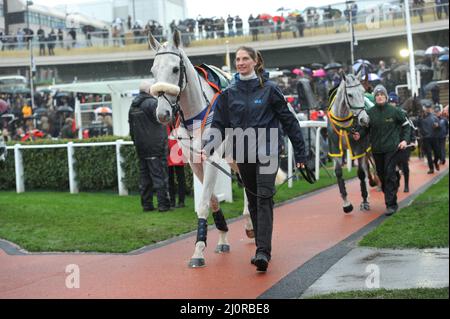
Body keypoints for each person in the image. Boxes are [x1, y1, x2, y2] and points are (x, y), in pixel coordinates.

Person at [203, 46, 307, 272]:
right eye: (238, 59)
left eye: (245, 59)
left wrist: (301, 153)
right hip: (242, 152)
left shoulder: (270, 89)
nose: (240, 62)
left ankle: (262, 252)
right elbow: (219, 123)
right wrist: (208, 146)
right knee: (252, 201)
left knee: (263, 198)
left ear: (255, 61)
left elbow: (289, 121)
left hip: (267, 151)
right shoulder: (228, 93)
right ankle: (262, 248)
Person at [353, 85, 411, 216]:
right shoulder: (370, 113)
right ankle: (392, 192)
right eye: (377, 95)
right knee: (382, 175)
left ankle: (391, 205)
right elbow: (365, 129)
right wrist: (359, 135)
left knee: (389, 173)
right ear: (375, 97)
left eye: (381, 95)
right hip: (377, 150)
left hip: (392, 149)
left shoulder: (394, 111)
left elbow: (406, 126)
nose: (379, 97)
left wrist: (404, 141)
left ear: (385, 97)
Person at [128, 81, 171, 212]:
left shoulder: (133, 106)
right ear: (149, 91)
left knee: (145, 177)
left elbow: (131, 129)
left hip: (141, 147)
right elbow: (165, 117)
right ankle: (163, 205)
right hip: (155, 146)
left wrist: (136, 142)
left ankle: (147, 204)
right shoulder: (152, 103)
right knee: (159, 176)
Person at [389, 92, 416, 193]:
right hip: (392, 145)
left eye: (394, 102)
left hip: (404, 143)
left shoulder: (403, 113)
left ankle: (406, 185)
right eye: (390, 102)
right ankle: (397, 183)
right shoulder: (386, 114)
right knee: (393, 166)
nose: (392, 104)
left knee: (405, 166)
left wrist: (413, 140)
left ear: (397, 103)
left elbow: (410, 127)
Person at [418, 100, 441, 174]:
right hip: (426, 139)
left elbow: (439, 127)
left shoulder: (434, 117)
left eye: (429, 107)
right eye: (426, 107)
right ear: (424, 108)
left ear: (430, 108)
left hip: (434, 138)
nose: (428, 109)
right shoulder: (420, 117)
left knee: (438, 154)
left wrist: (437, 126)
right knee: (429, 154)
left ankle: (435, 162)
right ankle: (431, 168)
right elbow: (417, 125)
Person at [167, 125, 186, 208]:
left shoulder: (179, 123)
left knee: (180, 179)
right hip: (168, 153)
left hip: (178, 153)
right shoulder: (165, 125)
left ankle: (181, 201)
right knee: (170, 179)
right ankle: (172, 201)